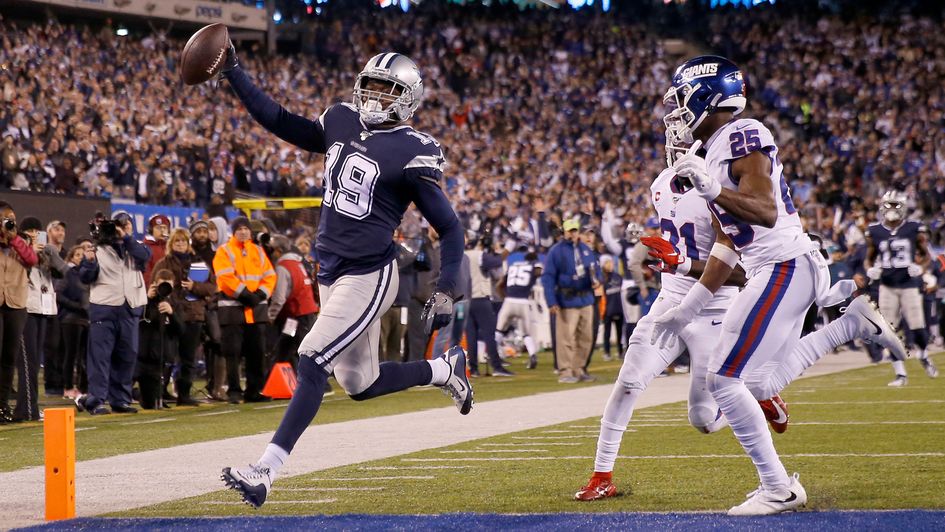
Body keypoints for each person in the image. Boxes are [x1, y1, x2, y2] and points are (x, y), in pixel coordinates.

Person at [648, 56, 907, 515]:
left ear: (705, 95)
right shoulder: (714, 152)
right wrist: (687, 309)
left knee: (724, 380)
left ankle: (778, 488)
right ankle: (849, 326)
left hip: (782, 265)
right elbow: (727, 246)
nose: (677, 113)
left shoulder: (741, 133)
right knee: (756, 380)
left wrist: (710, 189)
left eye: (682, 98)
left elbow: (764, 210)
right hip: (783, 266)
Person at [218, 48, 468, 508]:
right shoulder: (340, 118)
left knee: (312, 358)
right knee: (360, 384)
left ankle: (265, 471)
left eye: (387, 88)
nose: (374, 95)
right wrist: (234, 72)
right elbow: (279, 120)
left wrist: (446, 288)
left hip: (371, 274)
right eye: (371, 84)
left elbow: (450, 228)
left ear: (408, 98)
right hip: (330, 270)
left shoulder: (414, 149)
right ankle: (443, 369)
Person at [76, 212, 151, 416]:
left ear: (131, 228)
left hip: (129, 308)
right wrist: (90, 261)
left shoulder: (135, 246)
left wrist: (125, 238)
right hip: (105, 308)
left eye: (126, 225)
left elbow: (145, 257)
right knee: (100, 358)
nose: (121, 228)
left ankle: (120, 400)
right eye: (118, 225)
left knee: (127, 356)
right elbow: (85, 277)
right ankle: (96, 400)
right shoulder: (98, 249)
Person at [866, 191, 938, 386]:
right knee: (887, 330)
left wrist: (920, 268)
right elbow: (869, 258)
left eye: (895, 205)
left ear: (904, 207)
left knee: (917, 328)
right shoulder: (874, 231)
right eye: (888, 205)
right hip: (887, 285)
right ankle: (900, 373)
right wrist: (871, 270)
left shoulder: (914, 228)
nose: (891, 209)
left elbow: (926, 255)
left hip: (909, 284)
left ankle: (923, 354)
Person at [213, 217, 277, 404]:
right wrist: (245, 294)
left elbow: (270, 276)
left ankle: (254, 390)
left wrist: (259, 295)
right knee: (232, 352)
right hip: (233, 310)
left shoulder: (257, 250)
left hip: (256, 310)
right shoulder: (224, 251)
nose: (243, 232)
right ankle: (234, 390)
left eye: (246, 229)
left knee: (256, 352)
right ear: (233, 232)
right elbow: (225, 278)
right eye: (239, 229)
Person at [154, 228, 217, 405]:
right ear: (171, 244)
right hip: (172, 315)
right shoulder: (164, 263)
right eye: (177, 241)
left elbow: (212, 287)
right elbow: (155, 284)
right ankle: (161, 392)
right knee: (168, 356)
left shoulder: (198, 263)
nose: (180, 245)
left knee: (189, 358)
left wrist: (194, 286)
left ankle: (184, 394)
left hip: (194, 315)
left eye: (183, 241)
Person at [541, 218, 601, 383]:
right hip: (567, 300)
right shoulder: (556, 251)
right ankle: (565, 371)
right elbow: (548, 277)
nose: (573, 234)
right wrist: (551, 301)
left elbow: (596, 270)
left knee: (586, 337)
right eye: (570, 231)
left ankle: (578, 368)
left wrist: (598, 280)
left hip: (586, 298)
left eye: (575, 230)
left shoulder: (586, 250)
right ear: (564, 232)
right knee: (566, 338)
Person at [19, 216, 68, 419]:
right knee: (27, 362)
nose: (33, 234)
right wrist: (29, 250)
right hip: (26, 307)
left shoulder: (45, 252)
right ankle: (25, 408)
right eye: (29, 230)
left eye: (36, 231)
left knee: (35, 361)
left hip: (43, 309)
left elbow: (62, 272)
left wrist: (49, 252)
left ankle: (31, 406)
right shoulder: (18, 250)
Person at [0, 202, 38, 424]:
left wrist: (13, 238)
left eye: (11, 218)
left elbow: (32, 259)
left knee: (8, 358)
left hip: (15, 304)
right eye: (4, 218)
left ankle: (2, 405)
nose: (8, 222)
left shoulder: (20, 242)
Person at [267, 235, 318, 373]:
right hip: (302, 315)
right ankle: (283, 382)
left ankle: (322, 384)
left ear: (278, 250)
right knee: (286, 348)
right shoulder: (298, 262)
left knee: (303, 350)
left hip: (297, 316)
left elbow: (279, 298)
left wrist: (271, 316)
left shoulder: (283, 267)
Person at [465, 234, 513, 377]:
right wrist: (508, 249)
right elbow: (497, 262)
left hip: (466, 300)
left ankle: (473, 369)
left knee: (471, 336)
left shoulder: (461, 255)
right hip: (480, 298)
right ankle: (497, 366)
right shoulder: (479, 255)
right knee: (489, 334)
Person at [137, 268, 185, 409]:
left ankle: (151, 396)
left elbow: (181, 330)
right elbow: (139, 321)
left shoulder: (175, 304)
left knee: (152, 403)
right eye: (161, 285)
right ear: (154, 284)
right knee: (147, 401)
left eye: (168, 285)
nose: (164, 289)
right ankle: (134, 394)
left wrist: (171, 313)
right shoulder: (144, 301)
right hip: (144, 356)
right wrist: (147, 300)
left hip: (163, 357)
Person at [495, 252, 542, 369]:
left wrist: (504, 298)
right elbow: (539, 271)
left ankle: (493, 354)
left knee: (499, 330)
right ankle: (532, 355)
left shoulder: (513, 266)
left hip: (509, 301)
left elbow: (499, 285)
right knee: (526, 333)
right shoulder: (534, 266)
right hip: (523, 302)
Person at [57, 244, 90, 401]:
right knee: (71, 354)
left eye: (83, 255)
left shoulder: (88, 275)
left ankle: (83, 388)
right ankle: (68, 387)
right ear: (71, 258)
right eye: (77, 255)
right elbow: (59, 295)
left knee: (84, 356)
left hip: (86, 320)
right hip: (71, 320)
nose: (80, 258)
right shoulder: (68, 273)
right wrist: (77, 307)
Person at [599, 255, 625, 362]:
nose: (610, 264)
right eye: (607, 263)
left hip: (619, 308)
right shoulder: (601, 279)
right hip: (607, 310)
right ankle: (607, 352)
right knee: (607, 333)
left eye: (610, 262)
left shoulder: (618, 277)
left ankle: (620, 351)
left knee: (619, 332)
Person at [142, 214, 170, 286]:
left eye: (164, 228)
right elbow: (146, 272)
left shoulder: (171, 246)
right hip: (154, 287)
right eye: (158, 228)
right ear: (151, 230)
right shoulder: (146, 246)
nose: (162, 230)